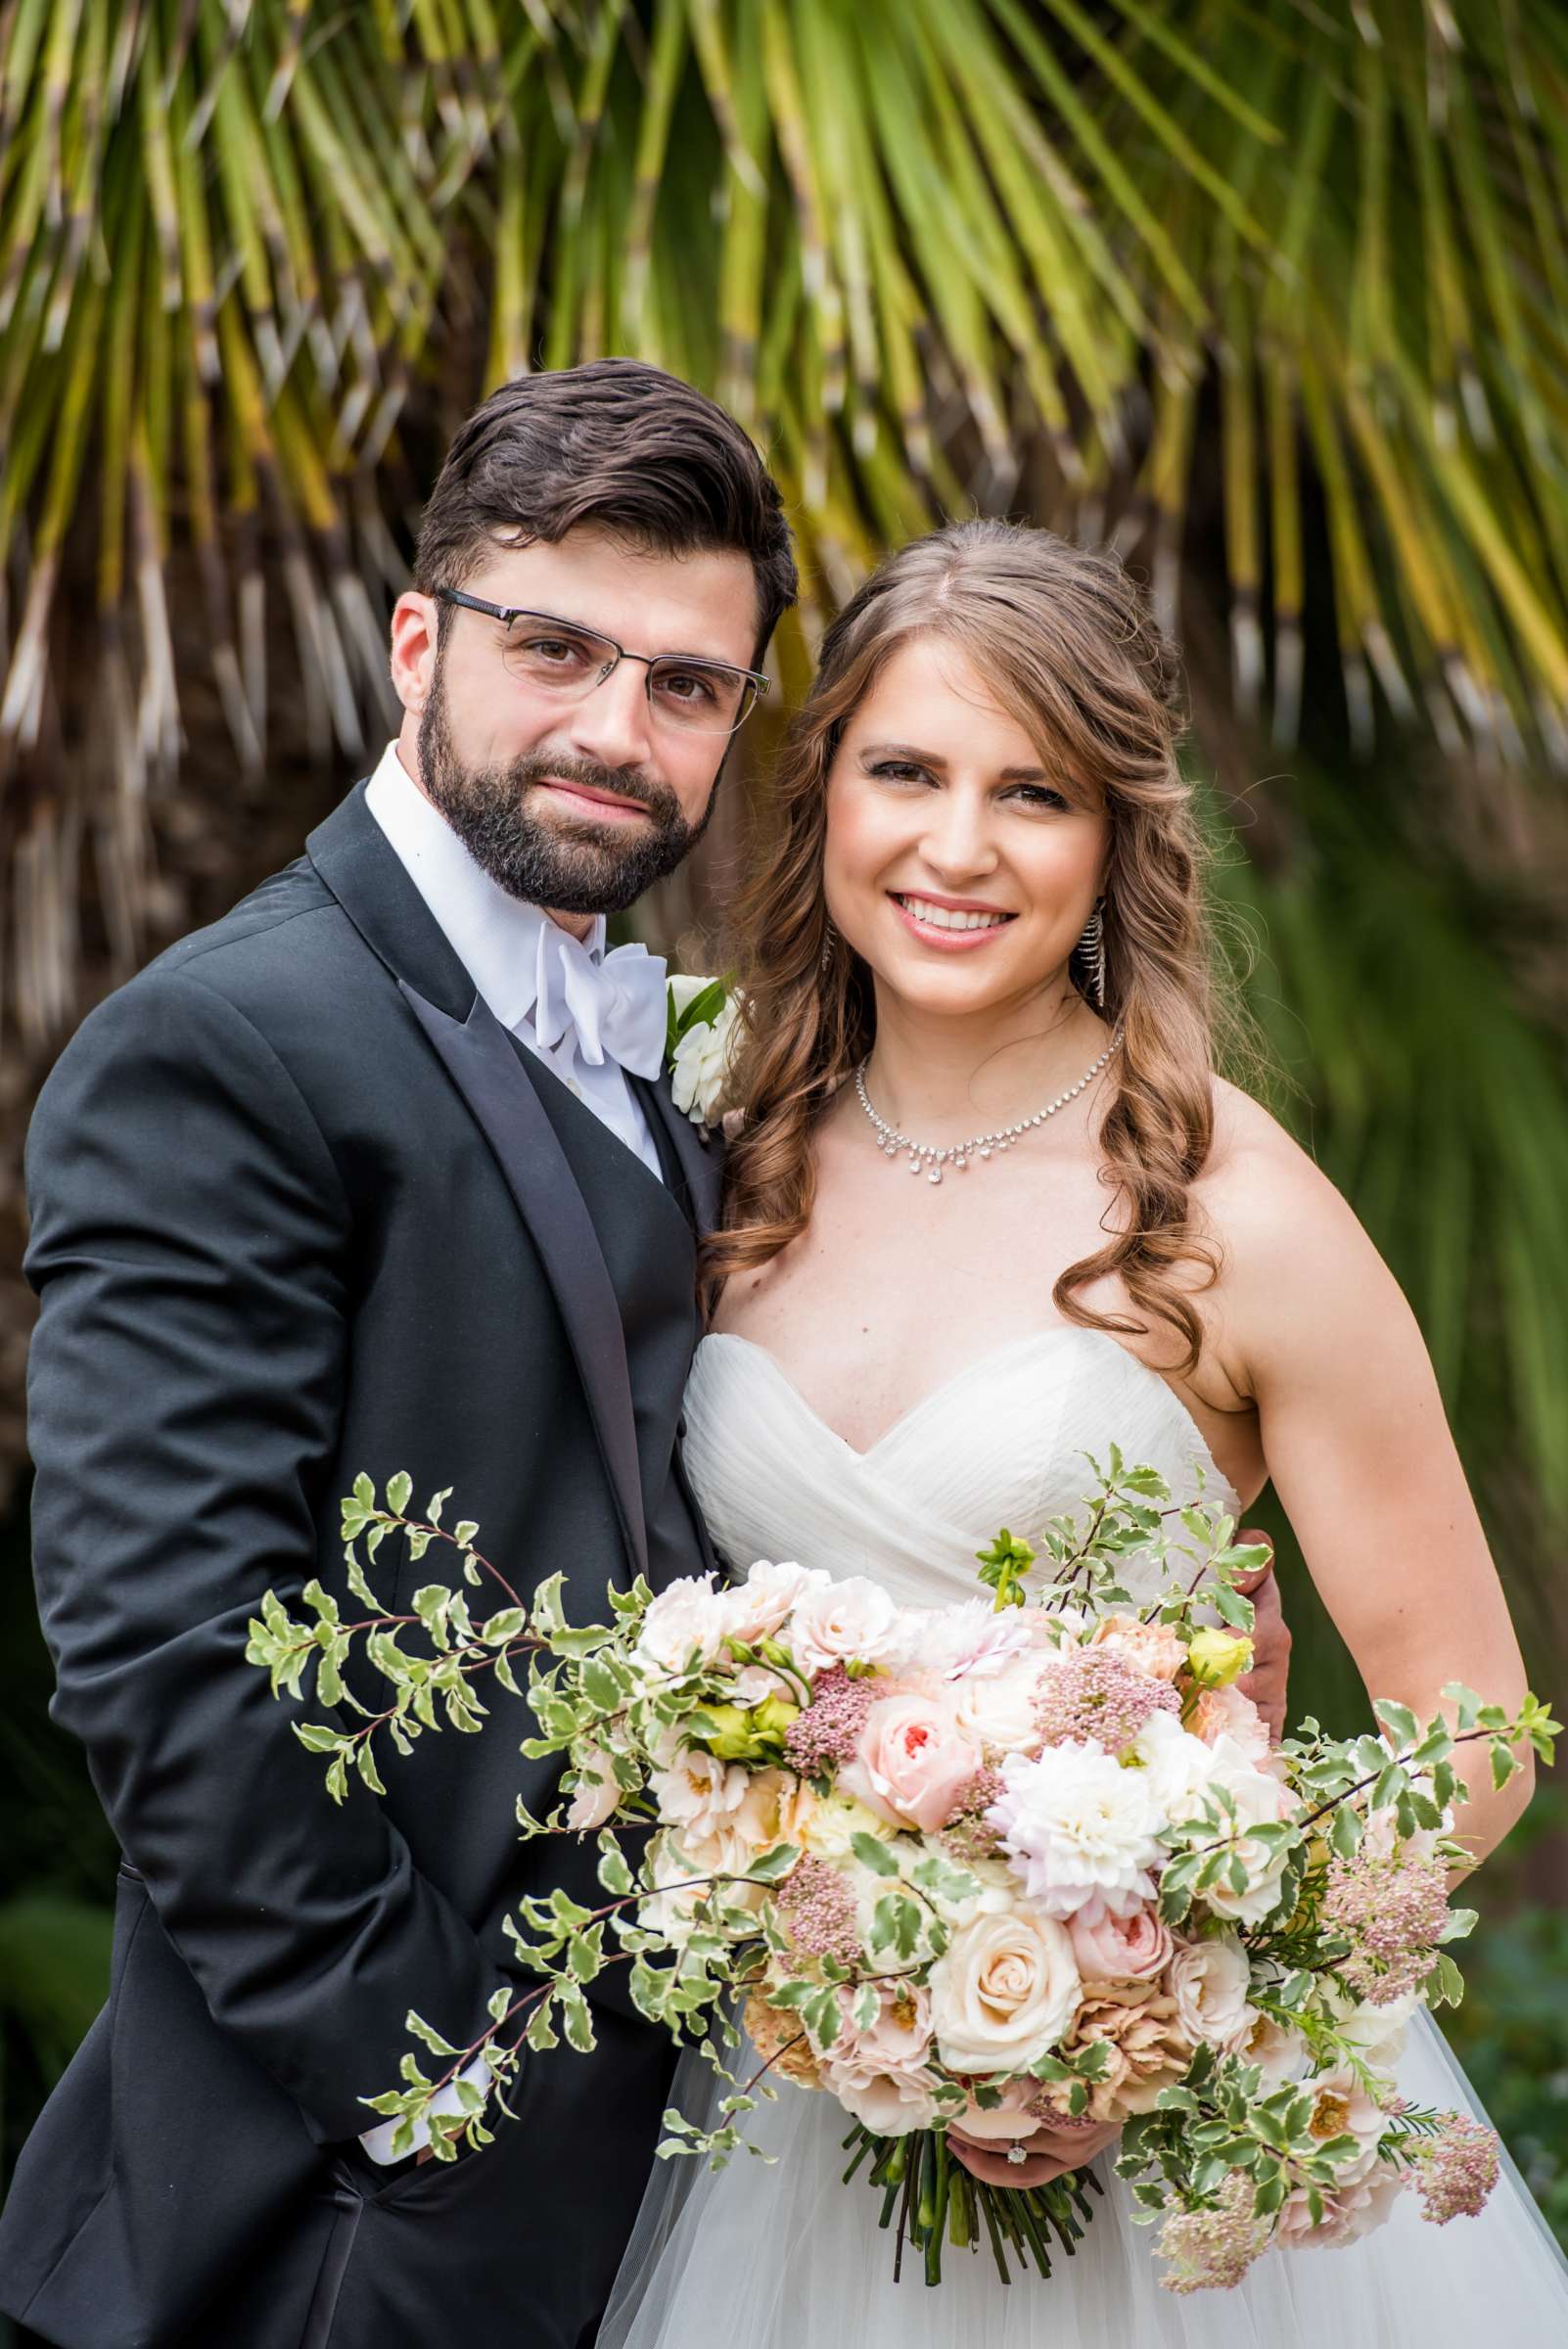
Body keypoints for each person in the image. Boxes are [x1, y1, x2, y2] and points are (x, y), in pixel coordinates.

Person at [597, 519, 1568, 2345]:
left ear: (1117, 838)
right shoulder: (705, 1122)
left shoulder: (1231, 1209)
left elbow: (1474, 1723)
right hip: (798, 2107)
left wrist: (1184, 1978)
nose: (956, 849)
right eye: (904, 772)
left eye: (1031, 793)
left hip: (1175, 2151)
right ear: (822, 806)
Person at [0, 358, 798, 2349]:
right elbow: (169, 1643)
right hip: (350, 2211)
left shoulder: (654, 1056)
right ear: (418, 641)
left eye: (688, 686)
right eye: (558, 651)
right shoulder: (234, 1041)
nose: (619, 732)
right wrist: (436, 2093)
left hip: (662, 2172)